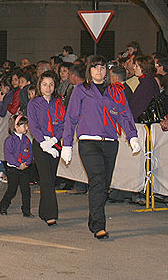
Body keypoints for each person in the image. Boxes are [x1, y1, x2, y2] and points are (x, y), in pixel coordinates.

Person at [61, 55, 140, 240]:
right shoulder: (81, 90)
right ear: (90, 70)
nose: (99, 71)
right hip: (89, 142)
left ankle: (93, 219)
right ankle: (99, 226)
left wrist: (132, 136)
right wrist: (66, 144)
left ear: (107, 71)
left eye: (103, 68)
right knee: (97, 181)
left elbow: (124, 114)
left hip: (110, 142)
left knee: (103, 185)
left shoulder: (115, 91)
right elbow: (71, 117)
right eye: (95, 67)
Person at [26, 70, 64, 226]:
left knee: (51, 178)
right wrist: (43, 142)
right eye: (44, 84)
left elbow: (63, 124)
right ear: (39, 86)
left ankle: (43, 211)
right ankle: (51, 214)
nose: (48, 88)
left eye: (51, 85)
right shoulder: (33, 103)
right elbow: (33, 126)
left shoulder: (59, 102)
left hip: (55, 143)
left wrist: (54, 139)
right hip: (40, 144)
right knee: (46, 179)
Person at [0, 114, 33, 217]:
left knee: (26, 190)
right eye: (24, 125)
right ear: (16, 127)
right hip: (13, 169)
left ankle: (26, 210)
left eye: (26, 125)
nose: (26, 128)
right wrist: (18, 164)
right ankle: (4, 205)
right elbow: (9, 156)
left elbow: (30, 153)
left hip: (24, 169)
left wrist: (27, 163)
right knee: (12, 190)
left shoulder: (26, 139)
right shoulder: (9, 140)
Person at [130, 55, 160, 120]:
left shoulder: (147, 83)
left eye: (137, 66)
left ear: (143, 68)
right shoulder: (147, 81)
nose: (134, 68)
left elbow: (140, 106)